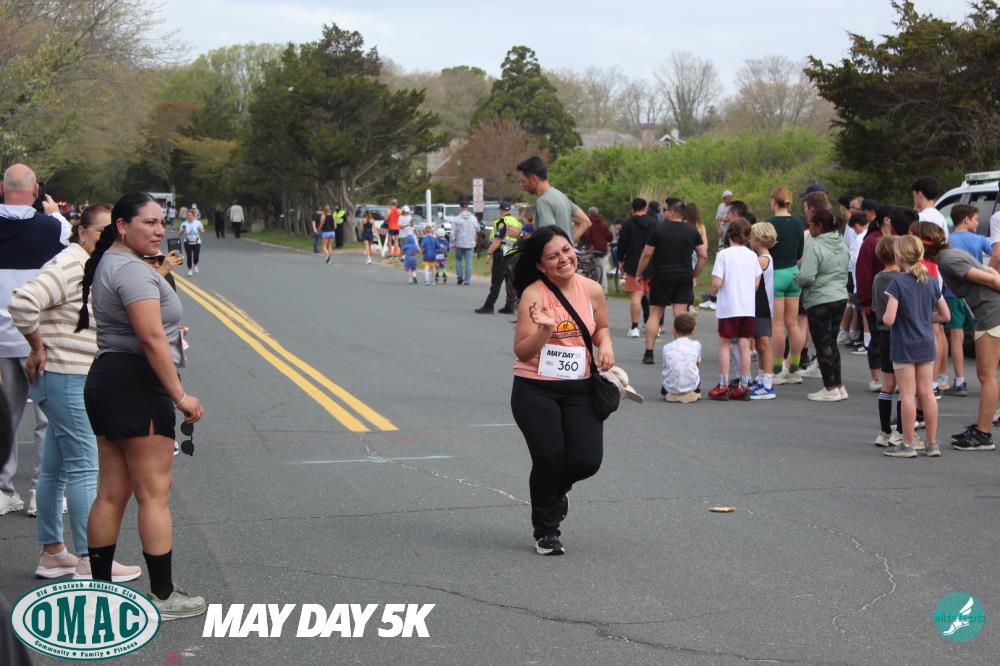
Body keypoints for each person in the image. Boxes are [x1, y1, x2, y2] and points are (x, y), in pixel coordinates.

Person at [78, 192, 206, 619]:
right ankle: (164, 596)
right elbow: (150, 338)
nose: (158, 230)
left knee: (111, 493)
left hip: (109, 379)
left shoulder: (112, 262)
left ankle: (99, 593)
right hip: (136, 383)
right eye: (148, 222)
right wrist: (180, 396)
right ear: (121, 225)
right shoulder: (131, 270)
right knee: (154, 494)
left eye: (160, 222)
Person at [9, 203, 141, 581]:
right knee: (85, 466)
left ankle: (53, 553)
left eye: (114, 232)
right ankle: (89, 560)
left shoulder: (92, 265)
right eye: (101, 231)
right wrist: (37, 347)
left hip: (64, 378)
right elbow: (22, 302)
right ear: (81, 231)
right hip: (66, 377)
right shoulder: (71, 264)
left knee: (55, 469)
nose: (109, 238)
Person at [511, 226, 613, 555]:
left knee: (587, 461)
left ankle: (554, 492)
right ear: (541, 265)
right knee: (549, 456)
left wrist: (605, 345)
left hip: (581, 388)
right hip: (535, 389)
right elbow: (522, 352)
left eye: (566, 250)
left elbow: (601, 328)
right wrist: (545, 330)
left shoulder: (592, 289)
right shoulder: (534, 294)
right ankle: (546, 532)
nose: (564, 259)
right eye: (553, 256)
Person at [0, 163, 71, 517]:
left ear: (2, 189)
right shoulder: (52, 228)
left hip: (1, 341)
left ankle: (2, 489)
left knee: (5, 416)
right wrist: (55, 213)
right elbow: (75, 247)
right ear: (35, 191)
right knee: (48, 418)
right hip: (38, 339)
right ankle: (41, 494)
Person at [882, 235, 949, 458]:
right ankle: (932, 443)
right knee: (927, 393)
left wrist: (884, 315)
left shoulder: (897, 283)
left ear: (899, 256)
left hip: (904, 344)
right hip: (926, 344)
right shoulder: (931, 281)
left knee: (908, 395)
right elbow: (945, 315)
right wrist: (926, 318)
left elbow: (889, 319)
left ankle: (908, 444)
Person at [937, 234, 1000, 452]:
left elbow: (991, 279)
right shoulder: (950, 255)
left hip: (991, 313)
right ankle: (982, 428)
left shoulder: (947, 259)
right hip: (988, 311)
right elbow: (990, 272)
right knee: (986, 375)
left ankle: (984, 434)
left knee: (986, 375)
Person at [635, 198, 706, 364]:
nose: (663, 212)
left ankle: (649, 353)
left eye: (665, 209)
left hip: (662, 275)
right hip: (684, 275)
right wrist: (695, 274)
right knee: (680, 313)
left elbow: (647, 253)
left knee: (655, 313)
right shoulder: (692, 230)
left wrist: (639, 272)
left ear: (672, 211)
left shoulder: (659, 229)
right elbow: (703, 255)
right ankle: (682, 352)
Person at [796, 208, 850, 401]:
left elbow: (807, 276)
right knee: (832, 343)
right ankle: (839, 385)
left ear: (819, 226)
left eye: (810, 225)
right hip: (840, 296)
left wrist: (797, 278)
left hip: (820, 299)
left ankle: (829, 388)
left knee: (822, 344)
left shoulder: (815, 244)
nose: (809, 228)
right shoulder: (841, 243)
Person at [707, 218, 762, 401]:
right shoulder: (752, 256)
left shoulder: (723, 255)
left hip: (729, 307)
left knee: (725, 343)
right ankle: (744, 384)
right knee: (744, 344)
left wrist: (713, 290)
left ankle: (723, 384)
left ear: (729, 234)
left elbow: (717, 282)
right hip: (747, 307)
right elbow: (756, 283)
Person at [941, 204, 991, 396]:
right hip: (976, 295)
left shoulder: (948, 241)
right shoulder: (980, 240)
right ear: (966, 219)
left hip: (953, 294)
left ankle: (960, 380)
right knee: (981, 335)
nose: (978, 223)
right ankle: (987, 377)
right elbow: (995, 252)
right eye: (976, 219)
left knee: (957, 336)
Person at [765, 187, 807, 386]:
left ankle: (776, 369)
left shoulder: (770, 223)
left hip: (777, 273)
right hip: (793, 273)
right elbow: (799, 252)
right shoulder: (798, 222)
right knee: (793, 323)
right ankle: (794, 368)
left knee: (777, 325)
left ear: (774, 201)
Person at [871, 236, 903, 446]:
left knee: (887, 384)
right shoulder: (902, 278)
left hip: (883, 333)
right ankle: (901, 430)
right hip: (901, 333)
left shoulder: (878, 278)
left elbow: (875, 307)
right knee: (904, 386)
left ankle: (884, 432)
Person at [516, 156, 591, 242]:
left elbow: (546, 239)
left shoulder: (543, 202)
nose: (522, 185)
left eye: (523, 181)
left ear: (533, 179)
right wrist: (568, 244)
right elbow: (585, 221)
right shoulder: (561, 196)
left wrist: (520, 234)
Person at [617, 198, 654, 338]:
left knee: (636, 297)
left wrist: (620, 259)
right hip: (651, 264)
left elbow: (622, 243)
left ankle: (634, 327)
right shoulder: (653, 223)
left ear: (632, 209)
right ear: (646, 208)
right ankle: (652, 325)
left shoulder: (627, 223)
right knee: (651, 297)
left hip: (633, 264)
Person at [476, 202, 521, 314]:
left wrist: (489, 253)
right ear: (509, 210)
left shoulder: (501, 222)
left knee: (496, 282)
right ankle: (510, 306)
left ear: (500, 210)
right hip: (514, 255)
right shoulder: (516, 222)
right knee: (511, 282)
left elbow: (497, 240)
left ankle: (489, 306)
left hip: (501, 255)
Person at [749, 222, 777, 399]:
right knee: (760, 343)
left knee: (763, 343)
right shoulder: (762, 258)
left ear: (759, 239)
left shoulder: (762, 260)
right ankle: (761, 377)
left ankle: (767, 383)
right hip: (761, 305)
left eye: (751, 237)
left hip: (762, 305)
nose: (749, 240)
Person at [660, 313, 701, 403]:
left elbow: (666, 366)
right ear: (693, 331)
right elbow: (698, 365)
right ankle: (691, 389)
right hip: (691, 384)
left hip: (671, 386)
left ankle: (672, 389)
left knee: (666, 382)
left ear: (674, 330)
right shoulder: (696, 345)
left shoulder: (667, 347)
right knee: (695, 371)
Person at [580, 206, 613, 293]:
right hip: (602, 250)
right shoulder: (603, 224)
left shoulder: (588, 223)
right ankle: (604, 290)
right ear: (598, 213)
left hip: (591, 249)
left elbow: (584, 236)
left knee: (581, 262)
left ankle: (585, 286)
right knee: (602, 268)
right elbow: (610, 237)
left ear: (589, 214)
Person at [450, 202, 478, 286]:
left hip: (459, 243)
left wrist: (452, 242)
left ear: (460, 208)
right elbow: (478, 229)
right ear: (467, 208)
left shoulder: (456, 219)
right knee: (469, 261)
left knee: (458, 259)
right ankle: (467, 280)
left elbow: (452, 232)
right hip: (470, 243)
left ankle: (459, 277)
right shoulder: (473, 218)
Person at [178, 209, 204, 276]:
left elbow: (202, 231)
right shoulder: (184, 224)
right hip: (187, 242)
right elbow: (179, 234)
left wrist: (200, 229)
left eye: (190, 215)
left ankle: (195, 264)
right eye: (188, 215)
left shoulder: (198, 223)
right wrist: (183, 230)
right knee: (189, 257)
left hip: (197, 242)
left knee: (196, 257)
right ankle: (190, 270)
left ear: (193, 216)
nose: (189, 217)